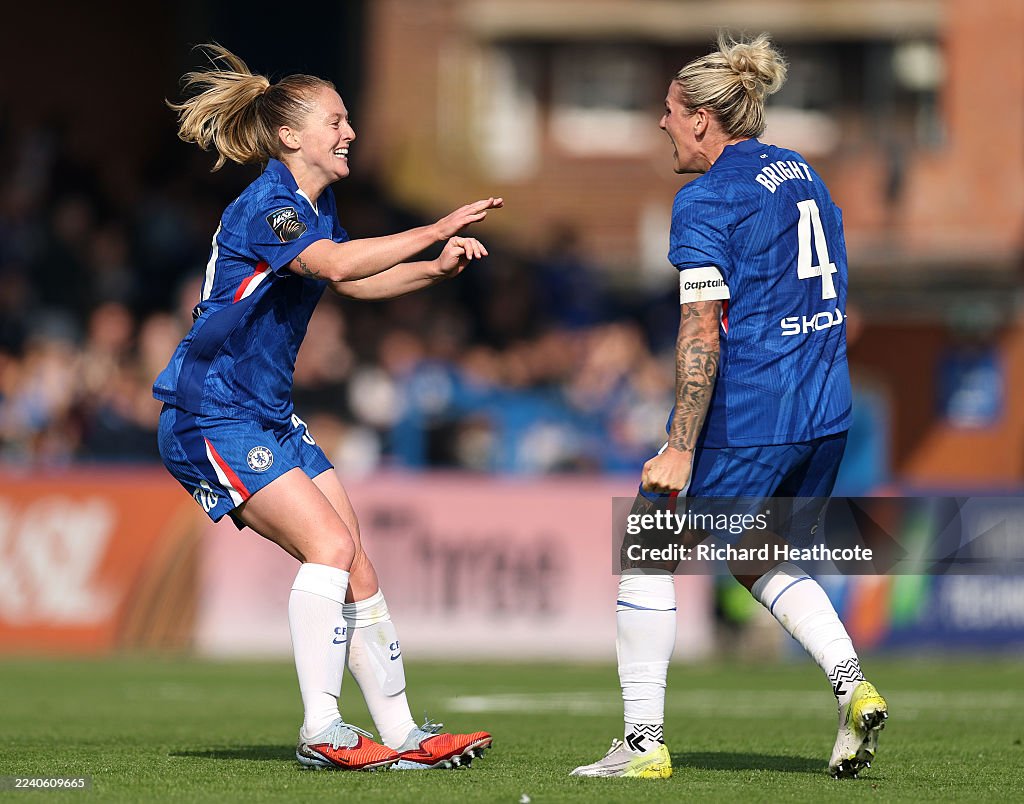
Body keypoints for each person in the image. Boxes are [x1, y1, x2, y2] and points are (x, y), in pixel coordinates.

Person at [154, 44, 502, 772]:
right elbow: (336, 265)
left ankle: (406, 738)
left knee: (359, 567)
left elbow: (353, 283)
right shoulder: (268, 207)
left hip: (266, 412)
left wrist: (429, 270)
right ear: (291, 137)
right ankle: (322, 730)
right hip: (210, 411)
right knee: (331, 550)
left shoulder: (316, 204)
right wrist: (435, 227)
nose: (350, 132)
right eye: (336, 120)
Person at [570, 34, 887, 780]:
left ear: (705, 120)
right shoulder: (803, 173)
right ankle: (853, 686)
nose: (661, 123)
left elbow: (699, 329)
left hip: (757, 409)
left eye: (671, 110)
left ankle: (642, 745)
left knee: (648, 542)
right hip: (826, 408)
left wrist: (679, 444)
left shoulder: (707, 198)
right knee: (755, 555)